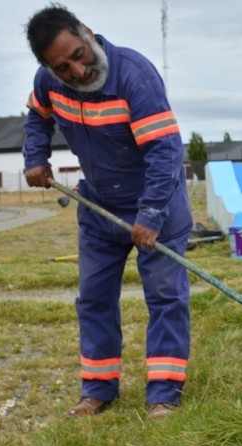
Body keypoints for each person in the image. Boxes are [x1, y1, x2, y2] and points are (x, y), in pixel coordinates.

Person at [22, 4, 192, 420]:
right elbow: (36, 118)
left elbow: (165, 152)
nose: (77, 71)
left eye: (78, 55)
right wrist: (35, 158)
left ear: (87, 32)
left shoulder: (134, 75)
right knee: (94, 298)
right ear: (49, 68)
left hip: (157, 203)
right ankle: (98, 389)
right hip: (98, 207)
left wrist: (150, 215)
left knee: (166, 298)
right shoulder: (48, 83)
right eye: (63, 68)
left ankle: (164, 393)